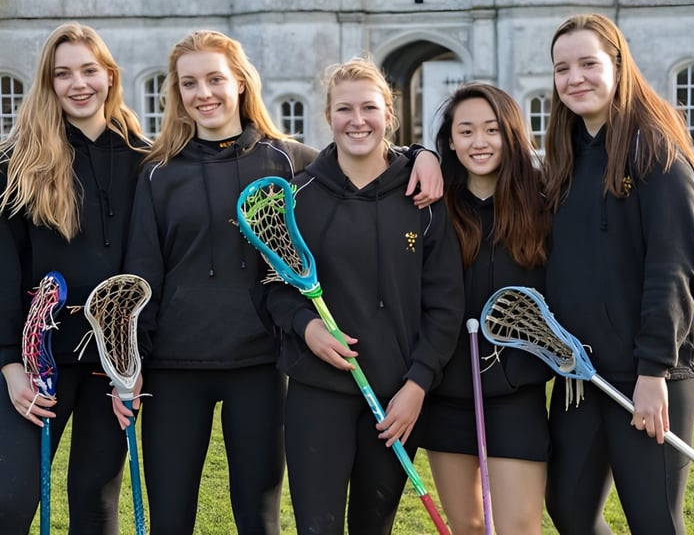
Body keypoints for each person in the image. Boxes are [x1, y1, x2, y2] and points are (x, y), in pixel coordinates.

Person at [123, 32, 443, 535]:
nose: (203, 92)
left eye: (215, 79)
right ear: (176, 93)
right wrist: (131, 362)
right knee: (170, 515)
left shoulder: (287, 162)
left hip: (258, 364)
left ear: (241, 83)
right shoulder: (158, 172)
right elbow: (143, 273)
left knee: (260, 517)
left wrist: (425, 153)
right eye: (190, 83)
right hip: (172, 367)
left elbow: (361, 150)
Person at [263, 56, 464, 535]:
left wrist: (417, 385)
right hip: (318, 390)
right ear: (327, 115)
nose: (357, 121)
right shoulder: (299, 195)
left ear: (389, 115)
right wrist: (306, 327)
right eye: (344, 109)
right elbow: (273, 287)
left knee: (375, 525)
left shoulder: (423, 196)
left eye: (370, 108)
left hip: (397, 397)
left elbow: (445, 303)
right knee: (318, 526)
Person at [542, 13, 694, 534]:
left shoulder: (656, 148)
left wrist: (653, 372)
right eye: (562, 68)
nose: (575, 78)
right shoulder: (564, 156)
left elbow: (674, 267)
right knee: (569, 510)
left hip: (652, 371)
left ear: (618, 65)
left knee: (653, 520)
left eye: (589, 63)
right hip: (582, 374)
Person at [0, 22, 149, 534]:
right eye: (63, 74)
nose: (78, 83)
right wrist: (10, 365)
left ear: (109, 76)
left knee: (94, 500)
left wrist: (131, 366)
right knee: (11, 500)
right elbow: (3, 268)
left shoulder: (145, 159)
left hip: (113, 359)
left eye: (89, 70)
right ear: (49, 83)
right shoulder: (18, 162)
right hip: (38, 358)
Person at [422, 82, 553, 534]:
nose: (479, 142)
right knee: (470, 528)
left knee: (519, 527)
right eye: (466, 131)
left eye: (492, 130)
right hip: (445, 396)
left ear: (512, 133)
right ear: (451, 140)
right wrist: (418, 155)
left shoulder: (544, 202)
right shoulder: (431, 205)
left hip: (516, 397)